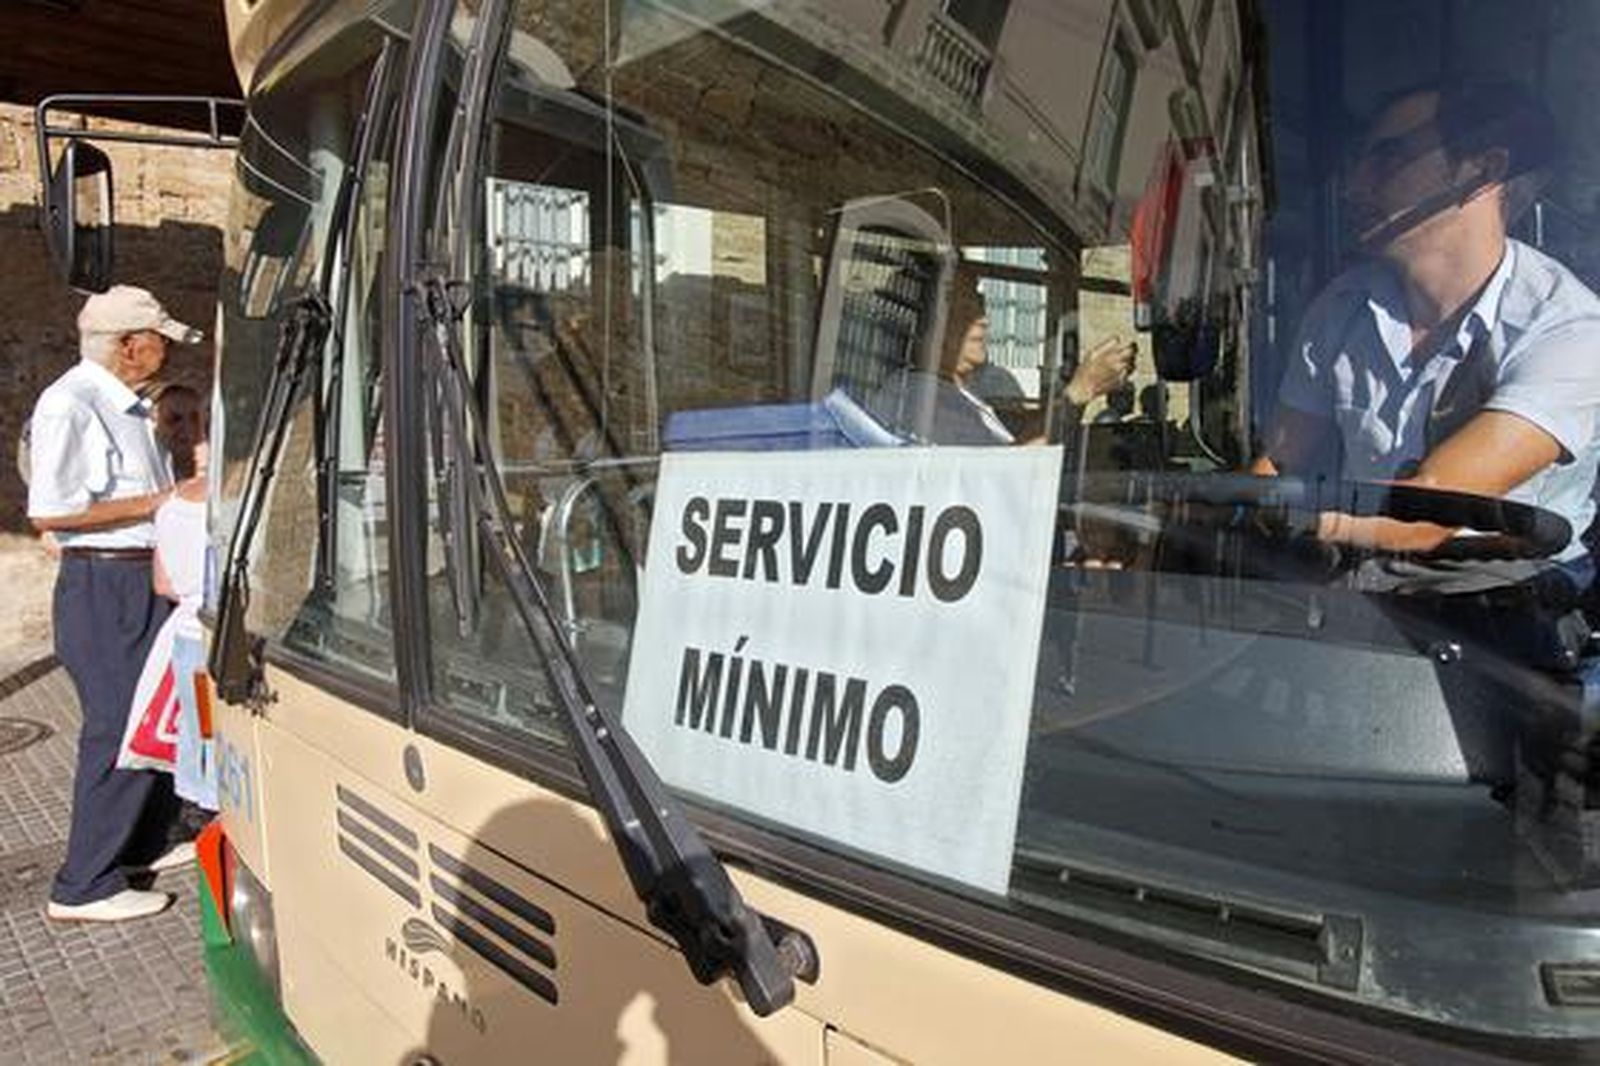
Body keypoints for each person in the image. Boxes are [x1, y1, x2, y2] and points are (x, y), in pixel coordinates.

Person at [1252, 79, 1600, 574]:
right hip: (1363, 598)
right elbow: (1278, 466)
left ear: (1483, 170)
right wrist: (1187, 528)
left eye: (1387, 158)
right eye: (1358, 162)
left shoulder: (1568, 328)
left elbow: (1428, 515)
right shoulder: (1341, 307)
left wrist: (1285, 524)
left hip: (1513, 612)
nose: (1354, 185)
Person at [28, 285, 204, 923]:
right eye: (159, 339)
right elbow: (49, 510)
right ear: (130, 345)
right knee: (117, 725)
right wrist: (159, 503)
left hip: (135, 578)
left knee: (155, 712)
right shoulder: (70, 405)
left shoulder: (130, 408)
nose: (165, 350)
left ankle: (141, 844)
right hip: (103, 585)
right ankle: (84, 883)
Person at [871, 264, 1136, 444]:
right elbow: (1006, 474)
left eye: (980, 305)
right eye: (966, 308)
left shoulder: (955, 392)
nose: (984, 319)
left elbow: (1016, 438)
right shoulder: (916, 399)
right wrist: (1080, 390)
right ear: (925, 324)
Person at [150, 385, 217, 813]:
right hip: (221, 637)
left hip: (187, 635)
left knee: (200, 744)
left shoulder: (169, 503)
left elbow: (163, 585)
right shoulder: (232, 499)